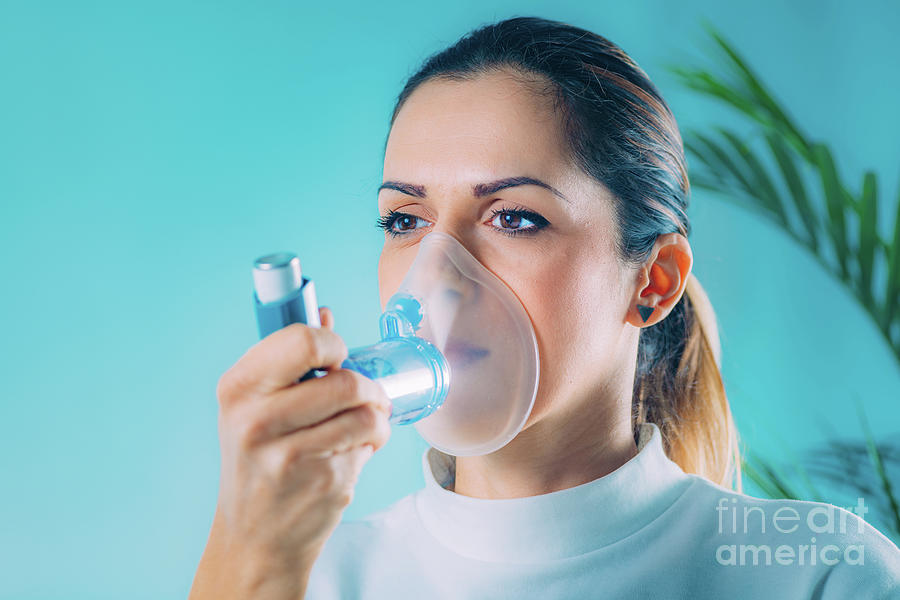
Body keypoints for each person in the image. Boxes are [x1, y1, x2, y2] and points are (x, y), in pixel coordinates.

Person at [189, 16, 900, 599]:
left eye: (515, 218)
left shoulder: (822, 572)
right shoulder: (309, 577)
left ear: (653, 280)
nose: (437, 278)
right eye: (405, 221)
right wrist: (248, 562)